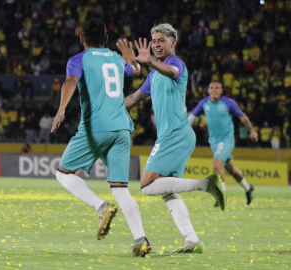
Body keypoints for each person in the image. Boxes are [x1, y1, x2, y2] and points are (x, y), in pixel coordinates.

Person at [51, 18, 151, 257]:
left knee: (63, 173)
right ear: (106, 39)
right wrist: (134, 61)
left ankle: (102, 207)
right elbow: (136, 72)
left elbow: (70, 81)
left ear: (81, 38)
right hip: (122, 128)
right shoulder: (116, 58)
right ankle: (141, 240)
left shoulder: (79, 59)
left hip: (96, 127)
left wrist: (61, 108)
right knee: (120, 188)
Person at [124, 23, 225, 253]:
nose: (157, 44)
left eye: (162, 40)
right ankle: (193, 240)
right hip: (176, 136)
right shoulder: (153, 75)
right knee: (167, 192)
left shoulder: (175, 64)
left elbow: (172, 72)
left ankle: (204, 183)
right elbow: (133, 98)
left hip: (175, 135)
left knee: (147, 184)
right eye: (154, 41)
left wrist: (149, 61)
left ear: (173, 43)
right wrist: (108, 109)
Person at [188, 81, 258, 206]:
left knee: (216, 164)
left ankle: (221, 196)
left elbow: (242, 117)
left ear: (221, 91)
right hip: (214, 142)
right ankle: (248, 188)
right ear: (208, 90)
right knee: (230, 169)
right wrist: (183, 130)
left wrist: (251, 130)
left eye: (217, 88)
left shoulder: (228, 102)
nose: (214, 90)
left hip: (227, 139)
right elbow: (192, 118)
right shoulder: (204, 103)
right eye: (212, 88)